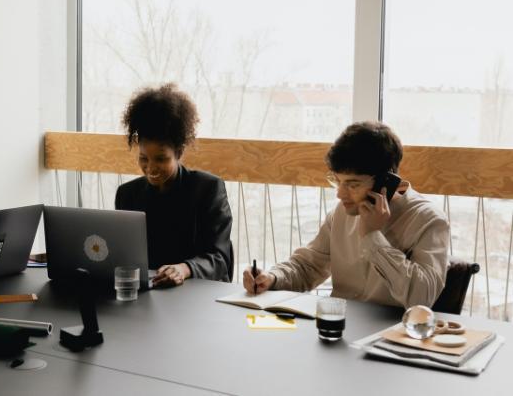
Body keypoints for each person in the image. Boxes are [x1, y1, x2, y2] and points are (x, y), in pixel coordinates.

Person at [243, 121, 449, 308]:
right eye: (337, 181)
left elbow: (422, 298)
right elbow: (308, 266)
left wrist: (372, 237)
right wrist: (272, 278)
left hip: (392, 337)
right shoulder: (342, 213)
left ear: (386, 182)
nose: (340, 194)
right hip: (338, 325)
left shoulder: (429, 221)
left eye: (353, 184)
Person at [115, 83, 233, 287]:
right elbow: (124, 256)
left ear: (179, 153)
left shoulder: (208, 189)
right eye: (144, 158)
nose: (150, 168)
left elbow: (220, 258)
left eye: (161, 159)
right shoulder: (128, 194)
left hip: (197, 296)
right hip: (148, 295)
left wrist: (185, 269)